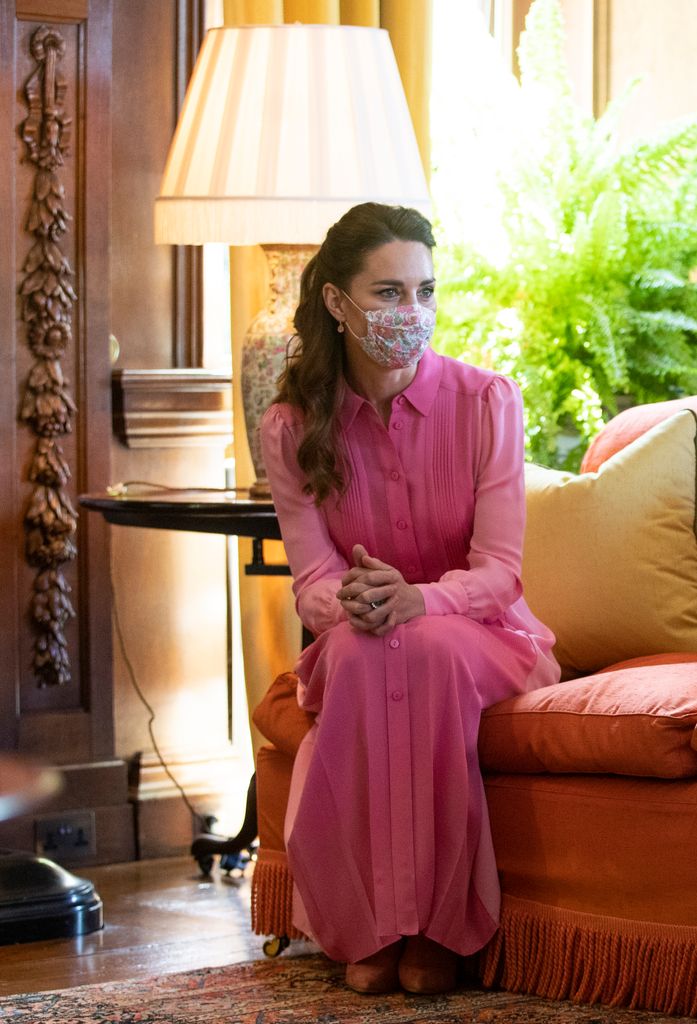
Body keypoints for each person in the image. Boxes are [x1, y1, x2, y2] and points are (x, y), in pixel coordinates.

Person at [260, 202, 560, 995]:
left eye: (425, 291)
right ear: (337, 302)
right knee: (366, 653)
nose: (412, 312)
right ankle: (371, 927)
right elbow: (314, 581)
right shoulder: (291, 428)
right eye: (389, 292)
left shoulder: (485, 400)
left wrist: (417, 600)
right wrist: (356, 606)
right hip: (362, 634)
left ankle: (431, 929)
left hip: (485, 633)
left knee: (414, 646)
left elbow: (500, 572)